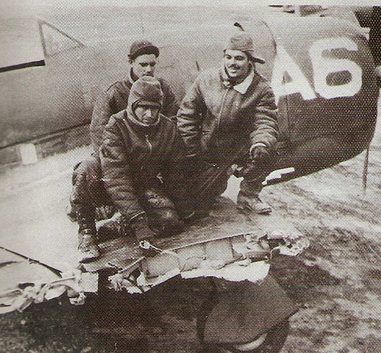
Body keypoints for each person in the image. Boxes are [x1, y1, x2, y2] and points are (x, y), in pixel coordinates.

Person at [69, 40, 179, 260]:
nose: (148, 70)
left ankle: (121, 224)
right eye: (142, 64)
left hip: (145, 169)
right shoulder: (113, 94)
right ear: (131, 63)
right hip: (113, 165)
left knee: (170, 221)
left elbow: (173, 126)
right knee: (86, 169)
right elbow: (100, 138)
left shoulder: (162, 89)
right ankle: (87, 233)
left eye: (152, 65)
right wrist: (113, 176)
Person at [177, 31, 279, 215]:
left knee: (267, 150)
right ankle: (214, 185)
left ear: (250, 61)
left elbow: (265, 121)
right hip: (208, 153)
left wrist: (261, 142)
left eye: (239, 58)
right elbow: (187, 115)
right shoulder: (206, 79)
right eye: (228, 57)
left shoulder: (261, 89)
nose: (232, 63)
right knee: (195, 207)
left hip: (239, 151)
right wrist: (191, 151)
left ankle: (249, 195)